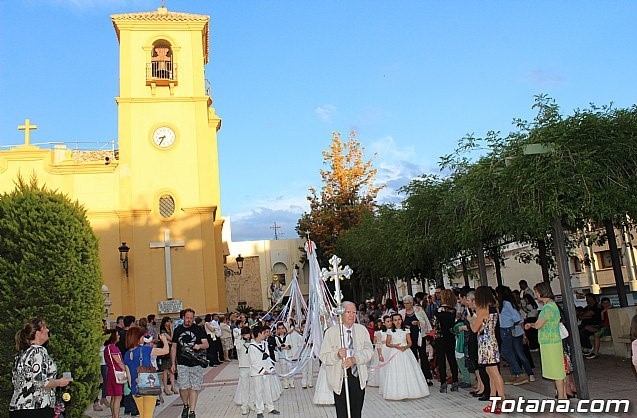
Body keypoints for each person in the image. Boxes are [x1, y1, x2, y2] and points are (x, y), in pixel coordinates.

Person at [319, 301, 374, 418]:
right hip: (339, 378)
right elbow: (323, 357)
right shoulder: (331, 332)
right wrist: (337, 355)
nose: (352, 315)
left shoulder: (361, 330)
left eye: (354, 312)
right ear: (341, 314)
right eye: (348, 312)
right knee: (342, 413)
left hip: (357, 376)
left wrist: (355, 359)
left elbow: (369, 351)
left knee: (356, 413)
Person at [10, 318, 73, 418]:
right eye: (45, 328)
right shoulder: (39, 351)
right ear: (38, 333)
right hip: (36, 409)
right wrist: (59, 382)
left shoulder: (21, 354)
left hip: (17, 408)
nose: (48, 330)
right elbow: (40, 382)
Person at [525, 282, 566, 399]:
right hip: (554, 341)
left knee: (557, 372)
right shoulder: (553, 305)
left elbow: (538, 325)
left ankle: (562, 397)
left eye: (537, 292)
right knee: (558, 371)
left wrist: (530, 324)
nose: (536, 295)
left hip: (550, 343)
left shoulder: (547, 308)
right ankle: (562, 396)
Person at [123, 326, 169, 418]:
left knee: (143, 414)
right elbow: (165, 351)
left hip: (135, 388)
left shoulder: (127, 354)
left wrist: (133, 387)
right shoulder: (145, 350)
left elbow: (128, 374)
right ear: (138, 338)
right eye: (142, 336)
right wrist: (164, 340)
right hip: (148, 385)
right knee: (148, 415)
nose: (143, 338)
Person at [171, 308, 209, 418]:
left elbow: (206, 344)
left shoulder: (198, 329)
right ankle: (185, 405)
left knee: (194, 387)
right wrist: (173, 363)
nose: (189, 320)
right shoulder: (178, 330)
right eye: (187, 318)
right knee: (183, 387)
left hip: (196, 362)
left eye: (191, 318)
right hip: (182, 362)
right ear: (183, 318)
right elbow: (174, 347)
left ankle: (192, 411)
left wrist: (199, 346)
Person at [382, 313, 430, 400]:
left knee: (408, 369)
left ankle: (412, 391)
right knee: (397, 371)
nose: (397, 322)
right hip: (395, 353)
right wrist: (395, 346)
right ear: (392, 321)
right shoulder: (390, 331)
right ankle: (398, 392)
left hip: (406, 352)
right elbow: (387, 343)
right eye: (395, 320)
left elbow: (410, 342)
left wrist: (405, 347)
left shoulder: (406, 330)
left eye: (399, 319)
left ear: (402, 320)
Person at [472, 286, 504, 414]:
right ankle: (493, 401)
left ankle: (502, 400)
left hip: (486, 343)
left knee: (494, 373)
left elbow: (475, 328)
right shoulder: (493, 308)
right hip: (491, 340)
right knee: (491, 373)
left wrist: (471, 318)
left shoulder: (482, 309)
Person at [496, 286, 535, 385]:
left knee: (508, 352)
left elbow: (517, 318)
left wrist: (512, 324)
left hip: (508, 330)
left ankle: (521, 373)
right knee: (510, 352)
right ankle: (515, 373)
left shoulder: (507, 304)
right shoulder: (502, 304)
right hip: (505, 330)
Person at [248, 325, 281, 418]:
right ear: (259, 334)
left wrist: (270, 368)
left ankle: (270, 407)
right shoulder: (252, 347)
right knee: (258, 391)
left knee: (268, 390)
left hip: (267, 372)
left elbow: (267, 357)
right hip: (257, 373)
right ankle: (259, 410)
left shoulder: (264, 344)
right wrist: (262, 371)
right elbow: (253, 362)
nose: (265, 334)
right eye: (263, 333)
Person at [433, 289, 459, 392]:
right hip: (450, 336)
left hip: (440, 336)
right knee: (451, 358)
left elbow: (435, 324)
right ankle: (455, 380)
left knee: (441, 359)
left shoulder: (439, 310)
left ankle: (443, 383)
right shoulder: (453, 311)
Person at [104, 330, 126, 418]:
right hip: (116, 373)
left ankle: (114, 415)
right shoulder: (112, 347)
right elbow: (119, 362)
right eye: (117, 335)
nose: (119, 336)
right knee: (118, 397)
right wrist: (126, 370)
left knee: (114, 396)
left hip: (112, 373)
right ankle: (116, 416)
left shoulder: (108, 347)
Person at [234, 327, 253, 415]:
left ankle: (251, 403)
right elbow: (238, 347)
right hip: (243, 367)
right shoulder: (239, 342)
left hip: (252, 367)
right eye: (245, 334)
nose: (247, 336)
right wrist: (240, 337)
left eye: (248, 334)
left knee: (253, 387)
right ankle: (244, 406)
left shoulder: (253, 342)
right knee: (245, 387)